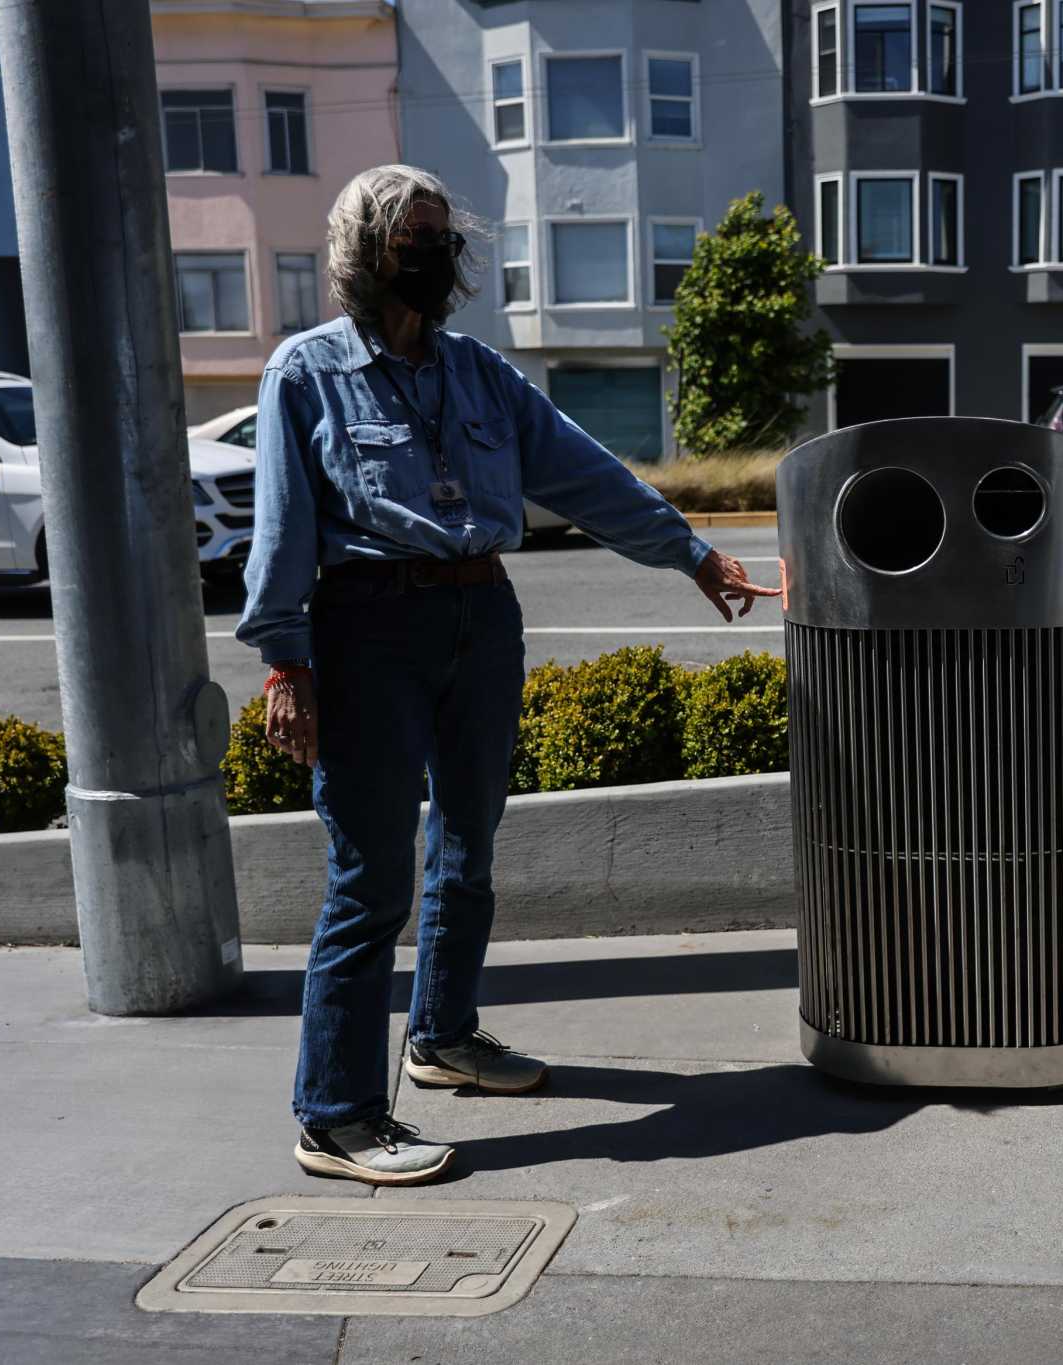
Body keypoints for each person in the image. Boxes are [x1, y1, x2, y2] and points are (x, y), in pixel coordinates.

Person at [237, 165, 778, 1186]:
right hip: (367, 628)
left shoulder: (479, 374)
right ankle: (337, 1116)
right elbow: (283, 531)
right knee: (370, 880)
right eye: (413, 239)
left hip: (480, 616)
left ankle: (441, 1039)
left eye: (442, 239)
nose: (433, 258)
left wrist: (693, 555)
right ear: (363, 253)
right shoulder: (306, 373)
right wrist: (284, 663)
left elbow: (586, 476)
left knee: (470, 845)